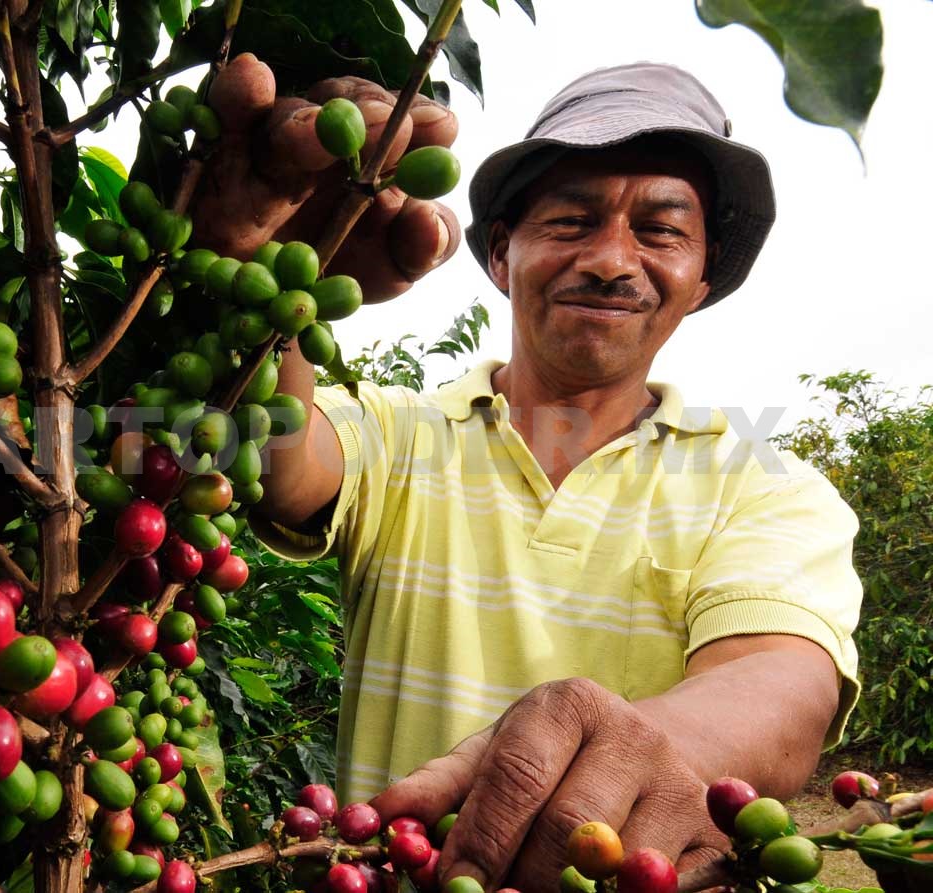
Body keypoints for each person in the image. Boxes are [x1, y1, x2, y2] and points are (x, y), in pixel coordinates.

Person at [194, 56, 863, 892]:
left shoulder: (765, 484)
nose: (613, 260)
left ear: (702, 276)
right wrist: (265, 259)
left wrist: (621, 742)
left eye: (660, 230)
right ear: (502, 256)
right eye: (573, 221)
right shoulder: (403, 435)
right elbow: (280, 462)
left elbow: (780, 684)